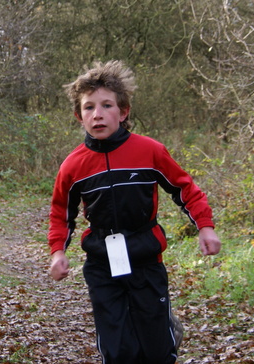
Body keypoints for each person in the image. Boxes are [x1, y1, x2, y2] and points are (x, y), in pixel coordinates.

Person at [48, 60, 221, 363]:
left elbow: (184, 189)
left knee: (155, 348)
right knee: (117, 349)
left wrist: (204, 226)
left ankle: (165, 327)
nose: (97, 114)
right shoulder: (73, 165)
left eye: (106, 105)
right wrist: (57, 252)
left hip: (145, 260)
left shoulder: (149, 151)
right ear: (79, 116)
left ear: (123, 111)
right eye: (89, 108)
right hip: (102, 264)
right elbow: (61, 212)